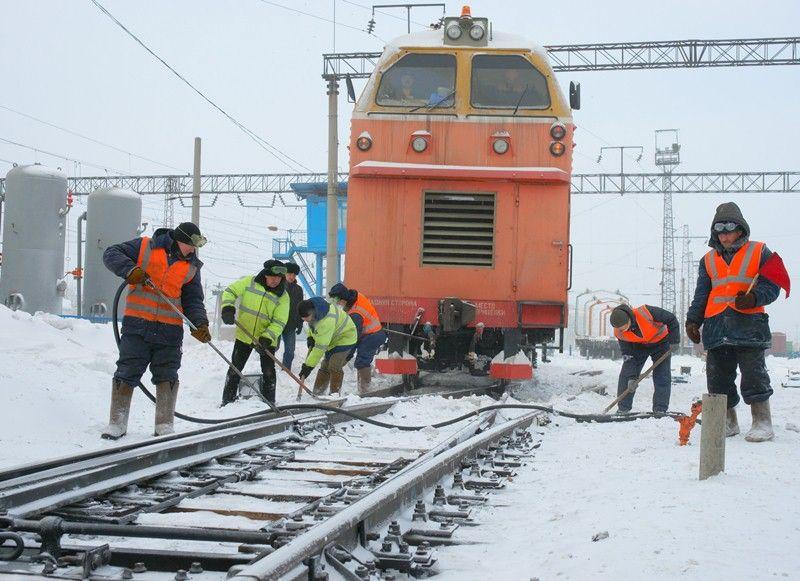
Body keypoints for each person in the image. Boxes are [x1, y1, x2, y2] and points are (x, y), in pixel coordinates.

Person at [101, 222, 210, 439]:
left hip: (169, 330)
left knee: (167, 374)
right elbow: (111, 253)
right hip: (137, 325)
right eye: (190, 245)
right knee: (127, 370)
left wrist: (200, 323)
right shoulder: (145, 246)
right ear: (180, 240)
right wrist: (130, 270)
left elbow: (193, 299)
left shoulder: (192, 267)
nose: (193, 250)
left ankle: (164, 424)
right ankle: (117, 422)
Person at [686, 202, 780, 442]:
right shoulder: (707, 260)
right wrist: (693, 320)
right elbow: (701, 294)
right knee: (717, 377)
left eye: (730, 229)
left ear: (740, 229)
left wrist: (754, 297)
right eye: (720, 230)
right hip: (717, 326)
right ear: (715, 232)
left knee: (754, 374)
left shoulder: (759, 252)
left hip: (749, 325)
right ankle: (727, 422)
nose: (725, 235)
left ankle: (762, 421)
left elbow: (772, 285)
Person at [220, 260, 290, 405]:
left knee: (269, 372)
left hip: (266, 340)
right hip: (244, 336)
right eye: (272, 277)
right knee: (235, 369)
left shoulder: (283, 296)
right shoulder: (249, 282)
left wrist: (267, 338)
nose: (275, 281)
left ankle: (270, 402)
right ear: (265, 275)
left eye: (278, 278)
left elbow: (279, 322)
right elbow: (230, 292)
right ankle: (227, 401)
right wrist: (227, 307)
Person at [609, 303, 679, 414]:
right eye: (620, 329)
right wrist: (632, 376)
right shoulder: (619, 332)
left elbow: (671, 319)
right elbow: (628, 356)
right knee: (626, 376)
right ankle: (623, 408)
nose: (623, 330)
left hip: (660, 342)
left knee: (662, 374)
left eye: (624, 327)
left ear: (629, 319)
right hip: (638, 347)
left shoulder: (646, 312)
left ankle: (660, 409)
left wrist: (674, 340)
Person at [329, 283, 387, 394]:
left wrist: (348, 354)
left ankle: (365, 391)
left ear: (344, 299)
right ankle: (364, 390)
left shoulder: (356, 313)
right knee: (362, 360)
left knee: (362, 361)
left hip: (372, 336)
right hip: (371, 333)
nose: (338, 304)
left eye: (339, 301)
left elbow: (354, 338)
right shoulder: (356, 296)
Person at [297, 297, 357, 396]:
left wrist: (308, 366)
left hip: (346, 337)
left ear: (312, 312)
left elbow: (320, 348)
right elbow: (313, 328)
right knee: (325, 365)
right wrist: (310, 337)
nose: (305, 320)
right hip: (332, 338)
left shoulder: (326, 321)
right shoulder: (314, 312)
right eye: (303, 319)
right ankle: (318, 392)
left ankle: (335, 394)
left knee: (334, 365)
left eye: (306, 317)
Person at [281, 262, 304, 371]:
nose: (291, 277)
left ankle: (286, 370)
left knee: (290, 350)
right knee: (272, 347)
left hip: (291, 324)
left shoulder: (298, 289)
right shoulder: (278, 286)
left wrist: (300, 323)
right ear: (284, 273)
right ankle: (269, 368)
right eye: (289, 274)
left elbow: (301, 307)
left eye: (294, 275)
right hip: (277, 322)